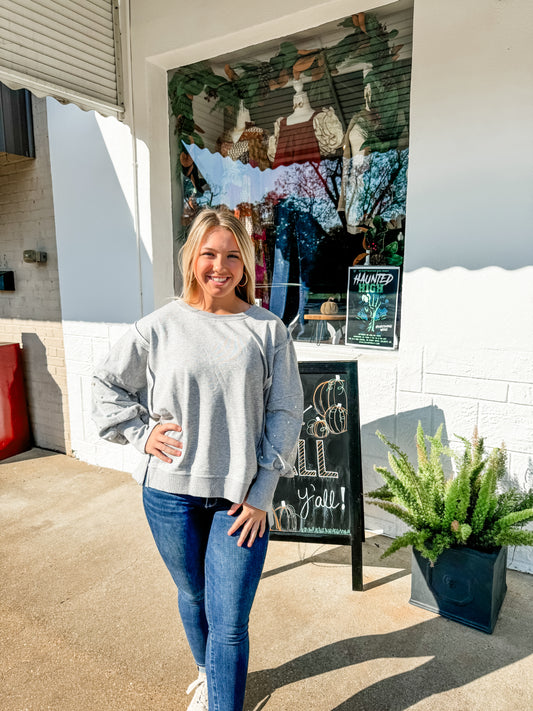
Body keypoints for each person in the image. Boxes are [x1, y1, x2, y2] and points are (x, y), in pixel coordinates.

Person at [92, 208, 304, 711]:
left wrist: (262, 493)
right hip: (168, 496)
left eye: (233, 255)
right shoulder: (159, 326)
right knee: (193, 596)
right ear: (191, 258)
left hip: (240, 503)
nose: (220, 266)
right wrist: (141, 434)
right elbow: (106, 385)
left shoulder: (267, 329)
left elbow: (287, 411)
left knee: (229, 621)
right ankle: (209, 677)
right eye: (209, 253)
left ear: (247, 263)